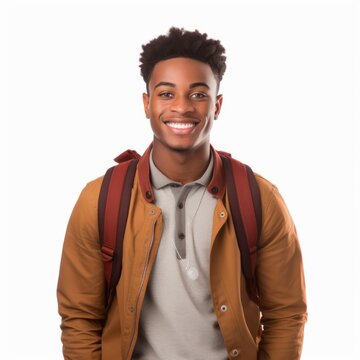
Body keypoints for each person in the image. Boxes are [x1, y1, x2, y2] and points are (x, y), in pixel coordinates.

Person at [57, 27, 307, 360]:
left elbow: (286, 314)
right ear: (147, 104)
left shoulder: (259, 198)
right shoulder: (100, 199)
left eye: (198, 94)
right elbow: (79, 320)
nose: (182, 107)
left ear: (217, 106)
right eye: (166, 93)